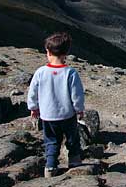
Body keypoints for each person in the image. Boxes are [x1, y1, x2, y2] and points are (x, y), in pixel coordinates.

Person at [27, 32, 85, 178]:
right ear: (66, 53)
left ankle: (50, 167)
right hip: (67, 114)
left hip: (47, 115)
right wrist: (79, 109)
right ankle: (75, 161)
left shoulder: (40, 72)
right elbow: (76, 94)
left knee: (51, 141)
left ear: (48, 52)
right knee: (72, 138)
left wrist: (33, 107)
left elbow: (32, 91)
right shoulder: (70, 73)